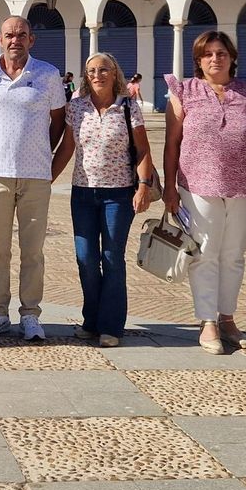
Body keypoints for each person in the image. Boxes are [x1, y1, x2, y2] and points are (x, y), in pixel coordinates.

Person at [163, 31, 246, 354]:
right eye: (207, 54)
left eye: (221, 53)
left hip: (244, 186)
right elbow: (172, 143)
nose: (215, 59)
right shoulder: (184, 92)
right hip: (198, 185)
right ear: (198, 60)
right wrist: (169, 187)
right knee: (206, 253)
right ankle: (207, 320)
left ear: (232, 57)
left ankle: (227, 318)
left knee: (233, 255)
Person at [0, 15, 67, 340]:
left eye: (22, 35)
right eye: (9, 35)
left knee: (33, 251)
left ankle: (30, 314)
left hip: (36, 176)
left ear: (32, 40)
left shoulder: (48, 74)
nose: (16, 40)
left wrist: (38, 152)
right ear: (0, 39)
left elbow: (58, 122)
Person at [51, 53, 154, 346]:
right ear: (86, 76)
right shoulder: (77, 107)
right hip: (82, 193)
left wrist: (143, 186)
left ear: (114, 73)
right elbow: (67, 148)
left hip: (118, 194)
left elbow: (143, 150)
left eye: (104, 70)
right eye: (92, 71)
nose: (98, 75)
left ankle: (110, 326)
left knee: (111, 258)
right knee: (85, 258)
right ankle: (91, 320)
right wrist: (47, 180)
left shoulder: (128, 107)